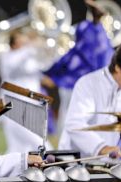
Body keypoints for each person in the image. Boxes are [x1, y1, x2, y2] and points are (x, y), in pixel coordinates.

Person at [43, 0, 114, 134]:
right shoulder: (101, 46)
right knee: (87, 121)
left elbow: (59, 64)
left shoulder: (79, 50)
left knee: (70, 120)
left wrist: (49, 72)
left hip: (76, 86)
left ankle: (68, 151)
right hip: (88, 87)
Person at [0, 30, 54, 153]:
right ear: (13, 44)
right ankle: (56, 159)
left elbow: (43, 66)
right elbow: (14, 66)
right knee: (37, 141)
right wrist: (32, 45)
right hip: (14, 106)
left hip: (32, 105)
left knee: (18, 148)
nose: (24, 41)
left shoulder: (28, 57)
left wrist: (47, 49)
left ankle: (13, 170)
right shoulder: (7, 57)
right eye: (20, 39)